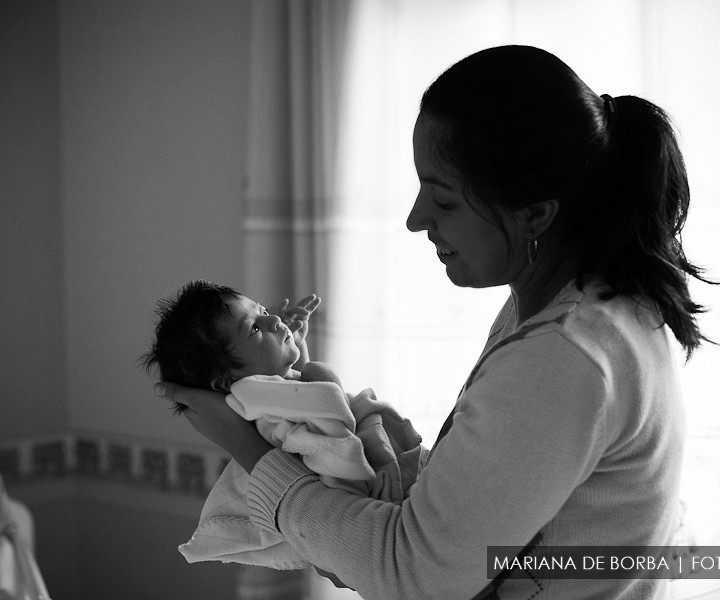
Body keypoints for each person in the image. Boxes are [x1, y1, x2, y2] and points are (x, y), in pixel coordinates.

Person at [153, 45, 717, 599]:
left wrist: (251, 452)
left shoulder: (564, 353)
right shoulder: (571, 308)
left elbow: (415, 577)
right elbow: (500, 518)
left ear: (535, 213)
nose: (416, 219)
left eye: (443, 200)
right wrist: (390, 467)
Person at [143, 281, 422, 568]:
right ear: (227, 382)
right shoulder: (255, 403)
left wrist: (297, 347)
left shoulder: (269, 398)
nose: (274, 319)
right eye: (254, 328)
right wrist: (318, 372)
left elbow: (312, 409)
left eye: (262, 310)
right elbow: (331, 420)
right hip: (361, 499)